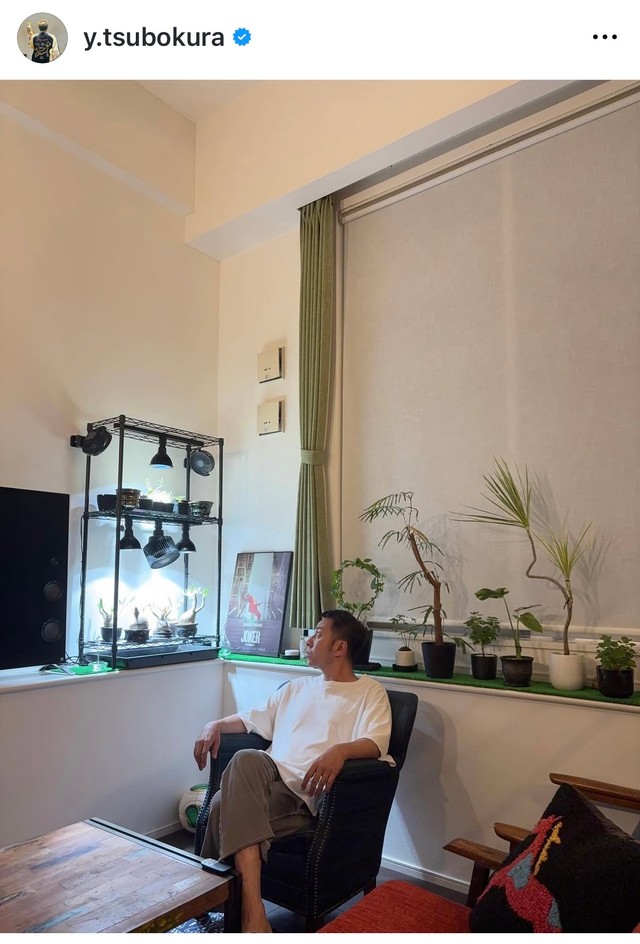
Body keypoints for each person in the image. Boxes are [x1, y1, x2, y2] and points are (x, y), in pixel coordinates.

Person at [193, 609, 392, 933]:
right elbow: (248, 719)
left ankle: (217, 899)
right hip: (267, 777)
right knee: (246, 759)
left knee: (220, 803)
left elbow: (376, 742)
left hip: (303, 795)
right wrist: (212, 725)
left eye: (318, 634)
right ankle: (253, 912)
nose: (308, 641)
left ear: (339, 647)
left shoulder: (369, 692)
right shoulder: (295, 688)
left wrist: (339, 751)